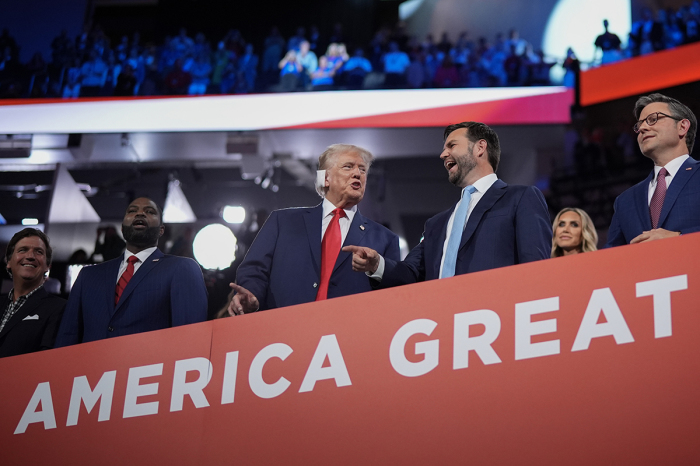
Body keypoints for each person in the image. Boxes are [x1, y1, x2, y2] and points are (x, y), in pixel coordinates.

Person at [343, 122, 552, 286]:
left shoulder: (521, 198)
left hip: (498, 320)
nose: (443, 154)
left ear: (480, 147)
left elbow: (535, 268)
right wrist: (377, 264)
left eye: (452, 145)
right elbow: (411, 273)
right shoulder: (436, 224)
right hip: (444, 325)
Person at [227, 144, 400, 315]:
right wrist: (251, 295)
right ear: (325, 178)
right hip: (285, 332)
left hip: (348, 336)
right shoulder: (282, 222)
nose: (358, 174)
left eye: (362, 170)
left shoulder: (384, 239)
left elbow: (392, 296)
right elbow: (255, 269)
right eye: (348, 167)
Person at [55, 197, 208, 346]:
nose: (140, 214)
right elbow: (67, 337)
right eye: (132, 211)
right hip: (91, 370)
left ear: (161, 230)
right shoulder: (88, 276)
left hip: (149, 370)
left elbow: (190, 340)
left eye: (150, 211)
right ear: (122, 228)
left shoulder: (182, 268)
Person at [606, 93, 699, 247]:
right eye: (639, 124)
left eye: (653, 119)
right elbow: (610, 258)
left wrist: (681, 238)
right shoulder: (625, 201)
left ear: (682, 126)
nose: (642, 128)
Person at [0, 229, 65, 358]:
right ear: (8, 262)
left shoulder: (59, 308)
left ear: (47, 266)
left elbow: (47, 361)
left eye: (38, 252)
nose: (30, 256)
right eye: (22, 250)